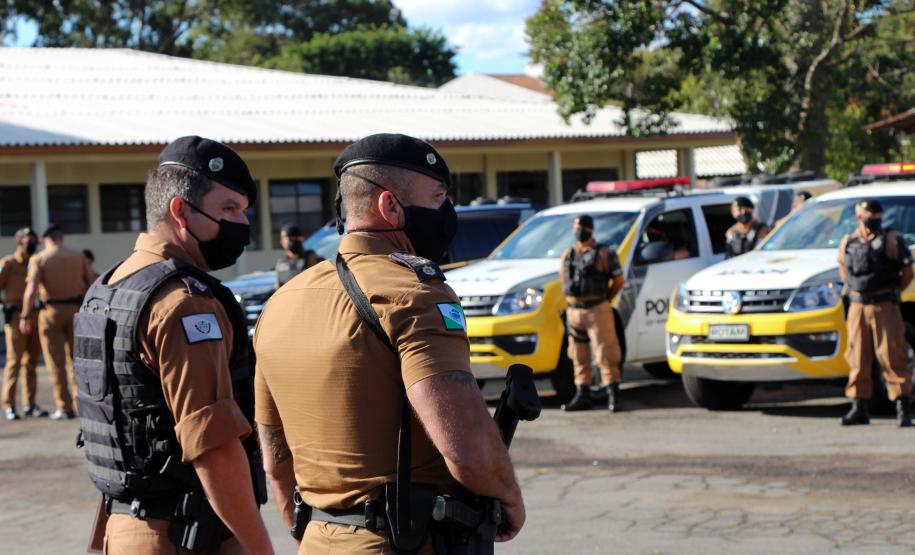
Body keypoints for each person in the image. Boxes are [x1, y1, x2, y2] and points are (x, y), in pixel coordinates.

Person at [254, 133, 524, 553]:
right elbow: (463, 441)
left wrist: (305, 527)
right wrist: (509, 494)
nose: (447, 210)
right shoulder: (415, 293)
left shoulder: (282, 303)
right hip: (401, 541)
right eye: (438, 197)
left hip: (317, 540)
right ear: (390, 206)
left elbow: (275, 456)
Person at [74, 136, 273, 553]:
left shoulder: (108, 286)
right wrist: (260, 548)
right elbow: (214, 447)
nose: (242, 224)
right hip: (186, 533)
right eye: (228, 209)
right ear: (181, 211)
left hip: (125, 525)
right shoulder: (183, 303)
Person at [837, 199, 914, 427]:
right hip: (858, 305)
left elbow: (907, 272)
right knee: (857, 357)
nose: (874, 218)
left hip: (884, 305)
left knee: (892, 356)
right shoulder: (848, 241)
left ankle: (903, 407)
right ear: (859, 215)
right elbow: (843, 269)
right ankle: (859, 407)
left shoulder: (892, 239)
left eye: (877, 214)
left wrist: (892, 291)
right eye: (869, 213)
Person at [19, 223, 93, 420]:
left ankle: (64, 406)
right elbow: (90, 283)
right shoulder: (78, 256)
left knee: (55, 362)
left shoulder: (39, 258)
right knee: (78, 360)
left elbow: (31, 290)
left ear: (46, 239)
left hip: (51, 312)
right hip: (77, 311)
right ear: (61, 237)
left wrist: (25, 315)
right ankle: (83, 404)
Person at [559, 215, 626, 412]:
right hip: (574, 310)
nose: (578, 231)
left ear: (590, 230)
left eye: (581, 227)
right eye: (575, 227)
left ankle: (613, 394)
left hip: (597, 308)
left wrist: (607, 299)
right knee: (578, 355)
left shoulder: (605, 253)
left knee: (606, 352)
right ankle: (583, 394)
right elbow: (563, 279)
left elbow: (619, 281)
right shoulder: (568, 254)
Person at [0, 228, 46, 420]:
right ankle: (9, 405)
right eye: (29, 241)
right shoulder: (8, 263)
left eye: (34, 241)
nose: (32, 244)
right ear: (19, 242)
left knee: (32, 362)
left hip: (35, 315)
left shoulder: (35, 263)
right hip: (16, 316)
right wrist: (6, 307)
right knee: (14, 361)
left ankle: (30, 404)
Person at [275, 223, 322, 288]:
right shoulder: (281, 262)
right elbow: (278, 286)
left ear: (302, 239)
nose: (294, 242)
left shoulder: (311, 257)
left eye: (296, 239)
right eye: (290, 239)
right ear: (282, 242)